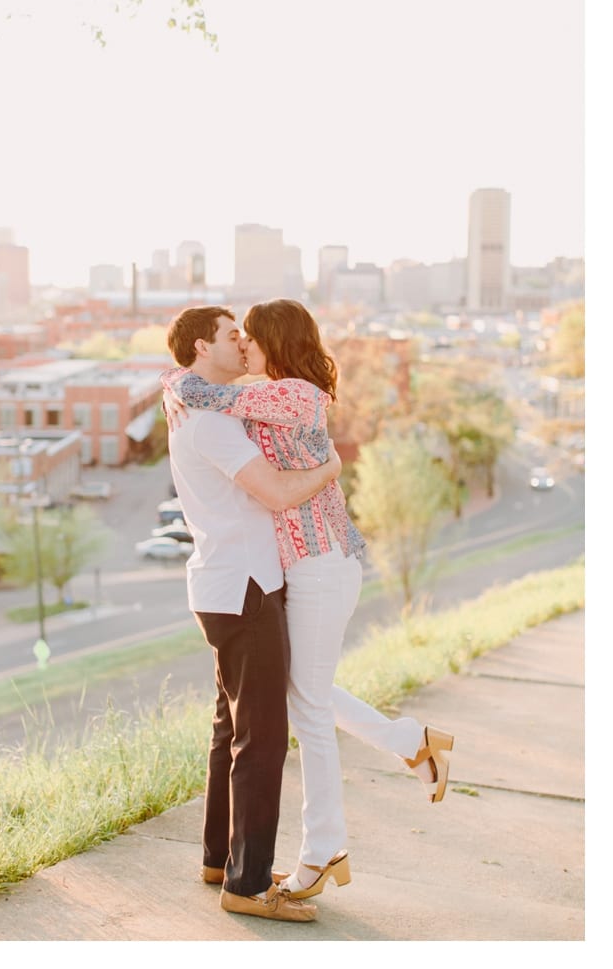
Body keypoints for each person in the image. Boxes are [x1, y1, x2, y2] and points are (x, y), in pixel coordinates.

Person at [162, 298, 454, 902]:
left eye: (249, 337)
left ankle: (322, 853)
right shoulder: (263, 395)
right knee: (303, 693)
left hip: (321, 565)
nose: (242, 345)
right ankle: (411, 743)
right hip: (296, 570)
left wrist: (178, 383)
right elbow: (214, 404)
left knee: (310, 711)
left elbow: (218, 399)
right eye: (232, 337)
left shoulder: (294, 394)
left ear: (273, 340)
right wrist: (177, 381)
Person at [163, 305, 348, 924]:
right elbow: (276, 491)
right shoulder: (212, 422)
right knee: (262, 740)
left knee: (231, 733)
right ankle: (245, 886)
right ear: (197, 347)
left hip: (223, 584)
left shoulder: (200, 405)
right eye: (229, 334)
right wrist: (330, 468)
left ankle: (222, 859)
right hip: (245, 586)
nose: (240, 341)